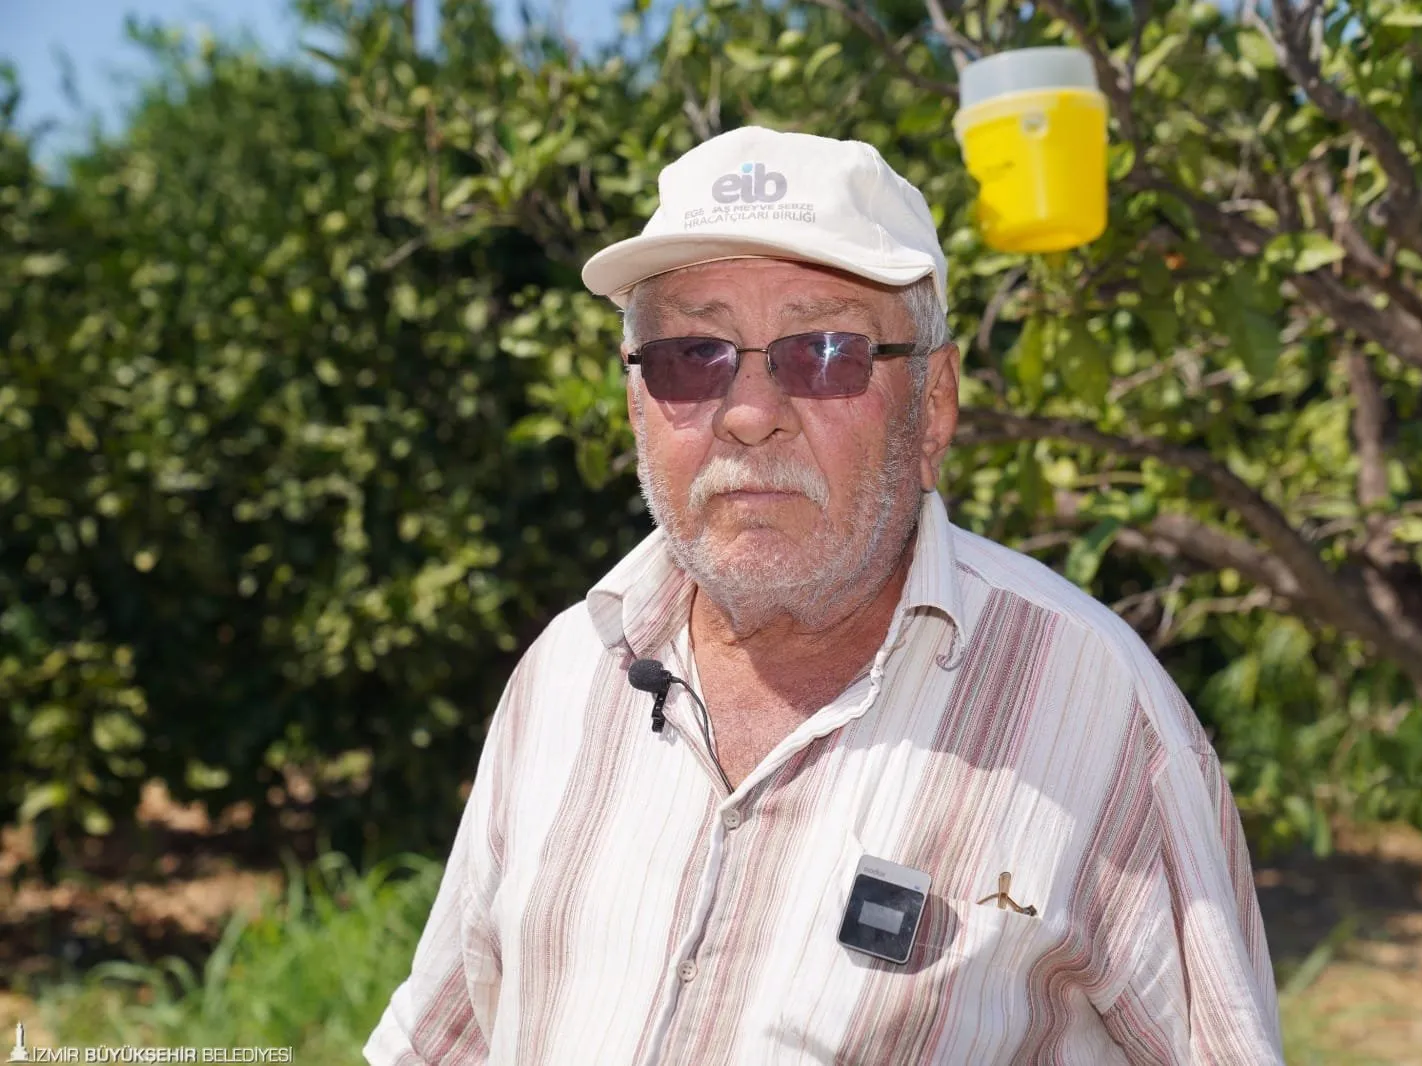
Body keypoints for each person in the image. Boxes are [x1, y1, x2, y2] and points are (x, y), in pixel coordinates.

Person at [365, 125, 1284, 1065]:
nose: (752, 414)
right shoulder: (566, 671)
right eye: (692, 354)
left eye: (826, 352)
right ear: (638, 401)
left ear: (933, 406)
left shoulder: (1098, 710)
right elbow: (441, 1042)